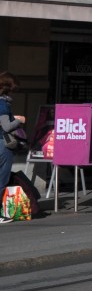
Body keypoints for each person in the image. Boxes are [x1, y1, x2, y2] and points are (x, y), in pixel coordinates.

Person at [0, 72, 26, 224]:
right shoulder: (3, 104)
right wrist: (18, 120)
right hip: (3, 145)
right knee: (2, 179)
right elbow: (7, 126)